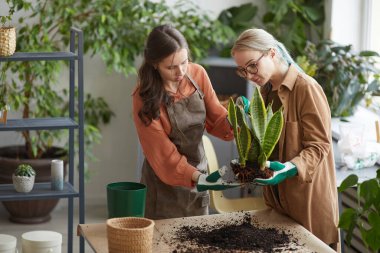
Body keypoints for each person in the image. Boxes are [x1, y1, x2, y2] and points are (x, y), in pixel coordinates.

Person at [200, 28, 340, 251]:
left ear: (272, 53)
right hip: (277, 205)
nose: (249, 74)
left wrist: (289, 168)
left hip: (306, 206)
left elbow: (319, 145)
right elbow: (264, 150)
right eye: (242, 70)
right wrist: (232, 171)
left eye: (252, 65)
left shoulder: (306, 89)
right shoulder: (265, 93)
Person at [132, 24, 234, 220]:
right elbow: (162, 154)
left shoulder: (198, 74)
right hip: (163, 188)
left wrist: (240, 124)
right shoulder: (143, 96)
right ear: (154, 64)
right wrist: (198, 178)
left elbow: (217, 118)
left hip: (200, 181)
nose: (180, 71)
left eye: (184, 62)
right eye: (171, 67)